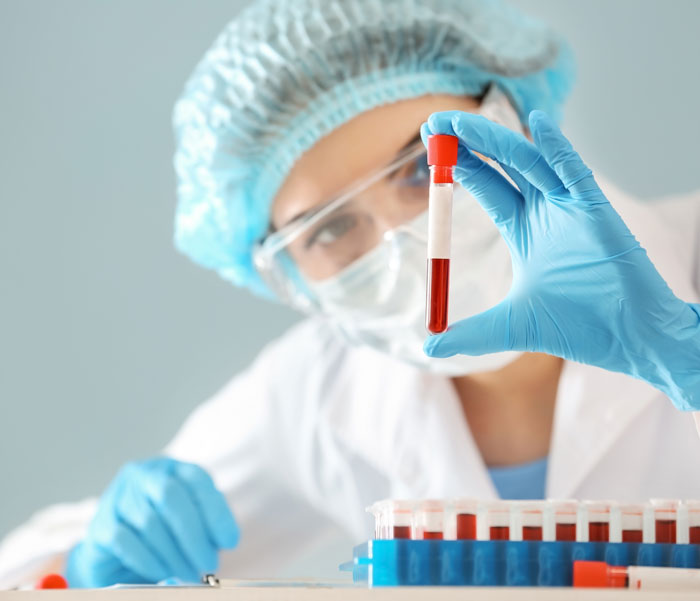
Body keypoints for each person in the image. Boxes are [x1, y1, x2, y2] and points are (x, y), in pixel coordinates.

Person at [1, 0, 699, 589]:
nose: (407, 240)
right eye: (331, 227)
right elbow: (28, 567)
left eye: (427, 169)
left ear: (514, 115)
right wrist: (90, 570)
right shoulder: (318, 394)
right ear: (286, 275)